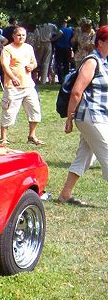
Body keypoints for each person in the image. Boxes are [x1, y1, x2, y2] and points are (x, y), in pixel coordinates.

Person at [58, 25, 108, 206]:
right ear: (100, 42)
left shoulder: (104, 61)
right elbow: (76, 92)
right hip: (90, 116)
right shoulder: (92, 61)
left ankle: (65, 194)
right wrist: (70, 119)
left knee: (85, 156)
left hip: (100, 116)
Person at [0, 26, 44, 145]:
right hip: (12, 87)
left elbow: (34, 62)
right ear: (13, 36)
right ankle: (3, 137)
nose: (21, 37)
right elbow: (5, 66)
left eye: (23, 35)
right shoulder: (7, 49)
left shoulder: (29, 48)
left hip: (28, 85)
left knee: (34, 110)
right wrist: (13, 78)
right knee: (8, 112)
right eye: (19, 35)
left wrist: (32, 66)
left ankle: (32, 136)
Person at [54, 19, 74, 83]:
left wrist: (52, 39)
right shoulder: (70, 30)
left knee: (59, 63)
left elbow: (57, 37)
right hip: (67, 48)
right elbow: (72, 38)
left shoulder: (61, 30)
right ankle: (66, 78)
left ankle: (60, 79)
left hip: (59, 48)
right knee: (66, 64)